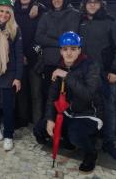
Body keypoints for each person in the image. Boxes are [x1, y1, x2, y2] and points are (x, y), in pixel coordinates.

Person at [42, 31, 103, 173]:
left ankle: (91, 153)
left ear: (79, 50)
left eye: (73, 49)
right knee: (40, 130)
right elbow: (52, 97)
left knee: (76, 134)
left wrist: (67, 76)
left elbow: (88, 95)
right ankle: (70, 141)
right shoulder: (60, 67)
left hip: (89, 114)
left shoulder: (91, 66)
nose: (69, 53)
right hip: (69, 113)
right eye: (65, 49)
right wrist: (50, 119)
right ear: (61, 51)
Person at [79, 0, 116, 161]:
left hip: (105, 75)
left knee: (108, 109)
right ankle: (89, 141)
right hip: (84, 75)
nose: (92, 5)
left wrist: (115, 70)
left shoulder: (111, 22)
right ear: (84, 4)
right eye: (89, 2)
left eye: (96, 2)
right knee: (86, 109)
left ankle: (109, 144)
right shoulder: (80, 21)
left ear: (101, 3)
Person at [35, 0, 80, 117]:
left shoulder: (75, 15)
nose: (57, 0)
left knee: (68, 98)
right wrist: (61, 42)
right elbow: (39, 37)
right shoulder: (46, 16)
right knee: (49, 97)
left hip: (68, 65)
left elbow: (73, 37)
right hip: (49, 64)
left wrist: (50, 39)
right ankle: (49, 126)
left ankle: (65, 129)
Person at [0, 0, 23, 151]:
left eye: (7, 12)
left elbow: (19, 54)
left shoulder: (15, 29)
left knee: (8, 106)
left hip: (9, 72)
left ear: (11, 14)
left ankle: (8, 135)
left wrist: (18, 77)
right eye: (1, 11)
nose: (3, 14)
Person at [14, 0, 47, 125]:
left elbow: (41, 35)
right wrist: (20, 55)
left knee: (36, 93)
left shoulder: (40, 12)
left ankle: (37, 121)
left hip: (34, 59)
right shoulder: (13, 14)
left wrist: (30, 54)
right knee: (21, 92)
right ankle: (23, 119)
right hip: (19, 58)